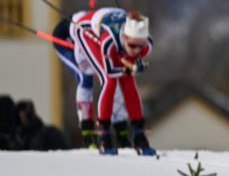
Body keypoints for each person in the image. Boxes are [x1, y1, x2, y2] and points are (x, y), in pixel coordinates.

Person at [70, 8, 155, 156]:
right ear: (125, 38)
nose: (136, 50)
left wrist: (134, 66)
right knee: (109, 81)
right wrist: (126, 69)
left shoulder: (147, 46)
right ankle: (104, 136)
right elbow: (110, 72)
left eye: (140, 46)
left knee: (129, 81)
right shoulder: (109, 42)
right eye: (132, 45)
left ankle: (139, 135)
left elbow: (132, 61)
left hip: (113, 31)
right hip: (86, 32)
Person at [52, 12, 131, 149]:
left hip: (89, 33)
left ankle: (121, 132)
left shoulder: (117, 36)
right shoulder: (91, 39)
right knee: (85, 77)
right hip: (65, 38)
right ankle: (87, 133)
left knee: (112, 79)